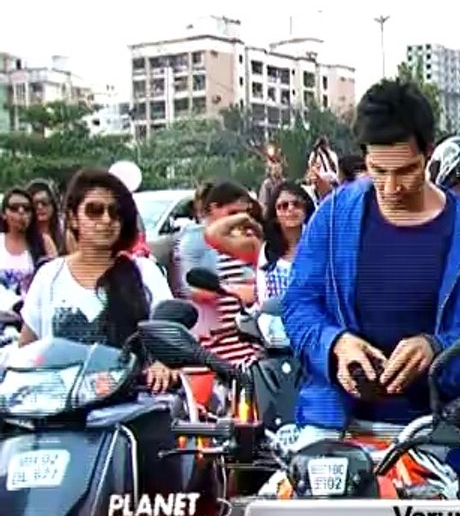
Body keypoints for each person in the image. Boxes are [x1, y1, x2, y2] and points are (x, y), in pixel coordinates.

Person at [282, 79, 460, 498]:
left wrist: (435, 348)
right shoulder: (333, 218)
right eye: (378, 171)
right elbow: (298, 305)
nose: (390, 188)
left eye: (406, 171)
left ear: (429, 153)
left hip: (429, 433)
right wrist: (335, 345)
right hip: (330, 423)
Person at [19, 168, 175, 392]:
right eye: (95, 211)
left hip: (132, 409)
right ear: (73, 218)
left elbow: (170, 339)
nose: (106, 220)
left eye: (114, 212)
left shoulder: (145, 272)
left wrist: (163, 364)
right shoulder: (48, 276)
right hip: (60, 413)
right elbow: (27, 351)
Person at [173, 180, 262, 408]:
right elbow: (193, 288)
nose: (238, 221)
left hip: (249, 340)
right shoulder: (195, 240)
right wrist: (233, 290)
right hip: (215, 344)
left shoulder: (243, 241)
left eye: (243, 215)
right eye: (232, 214)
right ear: (213, 209)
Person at [256, 180, 315, 305]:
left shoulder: (318, 243)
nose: (290, 209)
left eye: (296, 204)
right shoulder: (268, 250)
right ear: (275, 214)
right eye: (283, 206)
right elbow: (264, 298)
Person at [0, 188, 56, 297]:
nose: (21, 212)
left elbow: (55, 281)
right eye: (14, 208)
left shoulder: (44, 242)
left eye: (26, 208)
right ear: (3, 214)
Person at [26, 180, 65, 256]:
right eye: (35, 204)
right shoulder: (23, 237)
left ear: (53, 205)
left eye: (44, 202)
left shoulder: (65, 235)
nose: (40, 207)